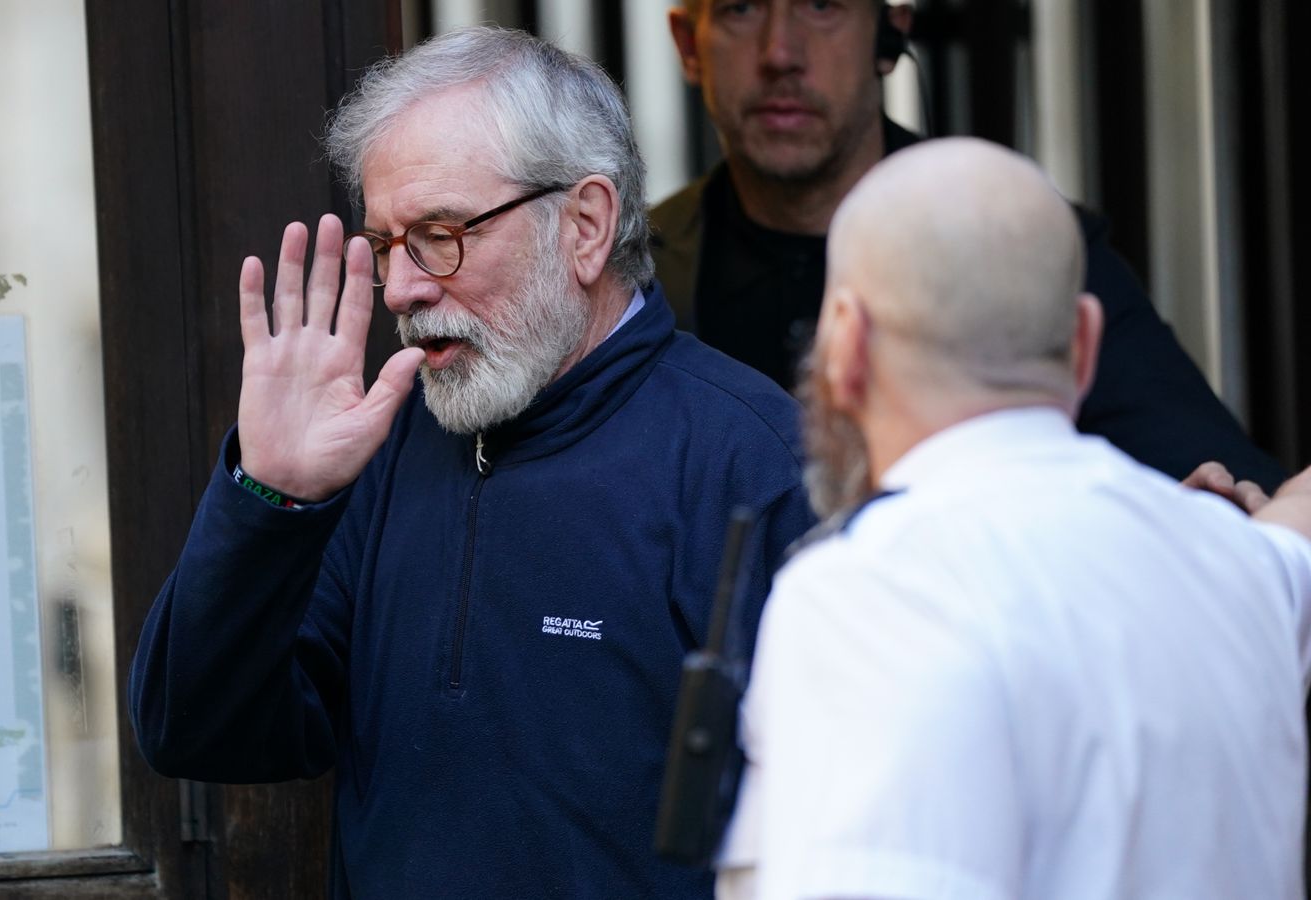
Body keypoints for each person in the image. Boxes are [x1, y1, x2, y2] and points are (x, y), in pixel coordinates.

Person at [127, 26, 816, 899]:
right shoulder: (382, 447)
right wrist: (272, 497)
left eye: (442, 234)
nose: (407, 288)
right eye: (387, 247)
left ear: (586, 225)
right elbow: (195, 732)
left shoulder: (753, 465)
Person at [719, 137, 1311, 900]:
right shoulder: (1233, 571)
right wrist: (1192, 538)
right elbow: (1294, 531)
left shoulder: (869, 599)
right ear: (1087, 342)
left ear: (846, 340)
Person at [659, 0, 1286, 490]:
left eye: (822, 6)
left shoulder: (1019, 242)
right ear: (689, 45)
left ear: (889, 34)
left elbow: (1216, 478)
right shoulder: (639, 270)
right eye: (740, 7)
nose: (780, 52)